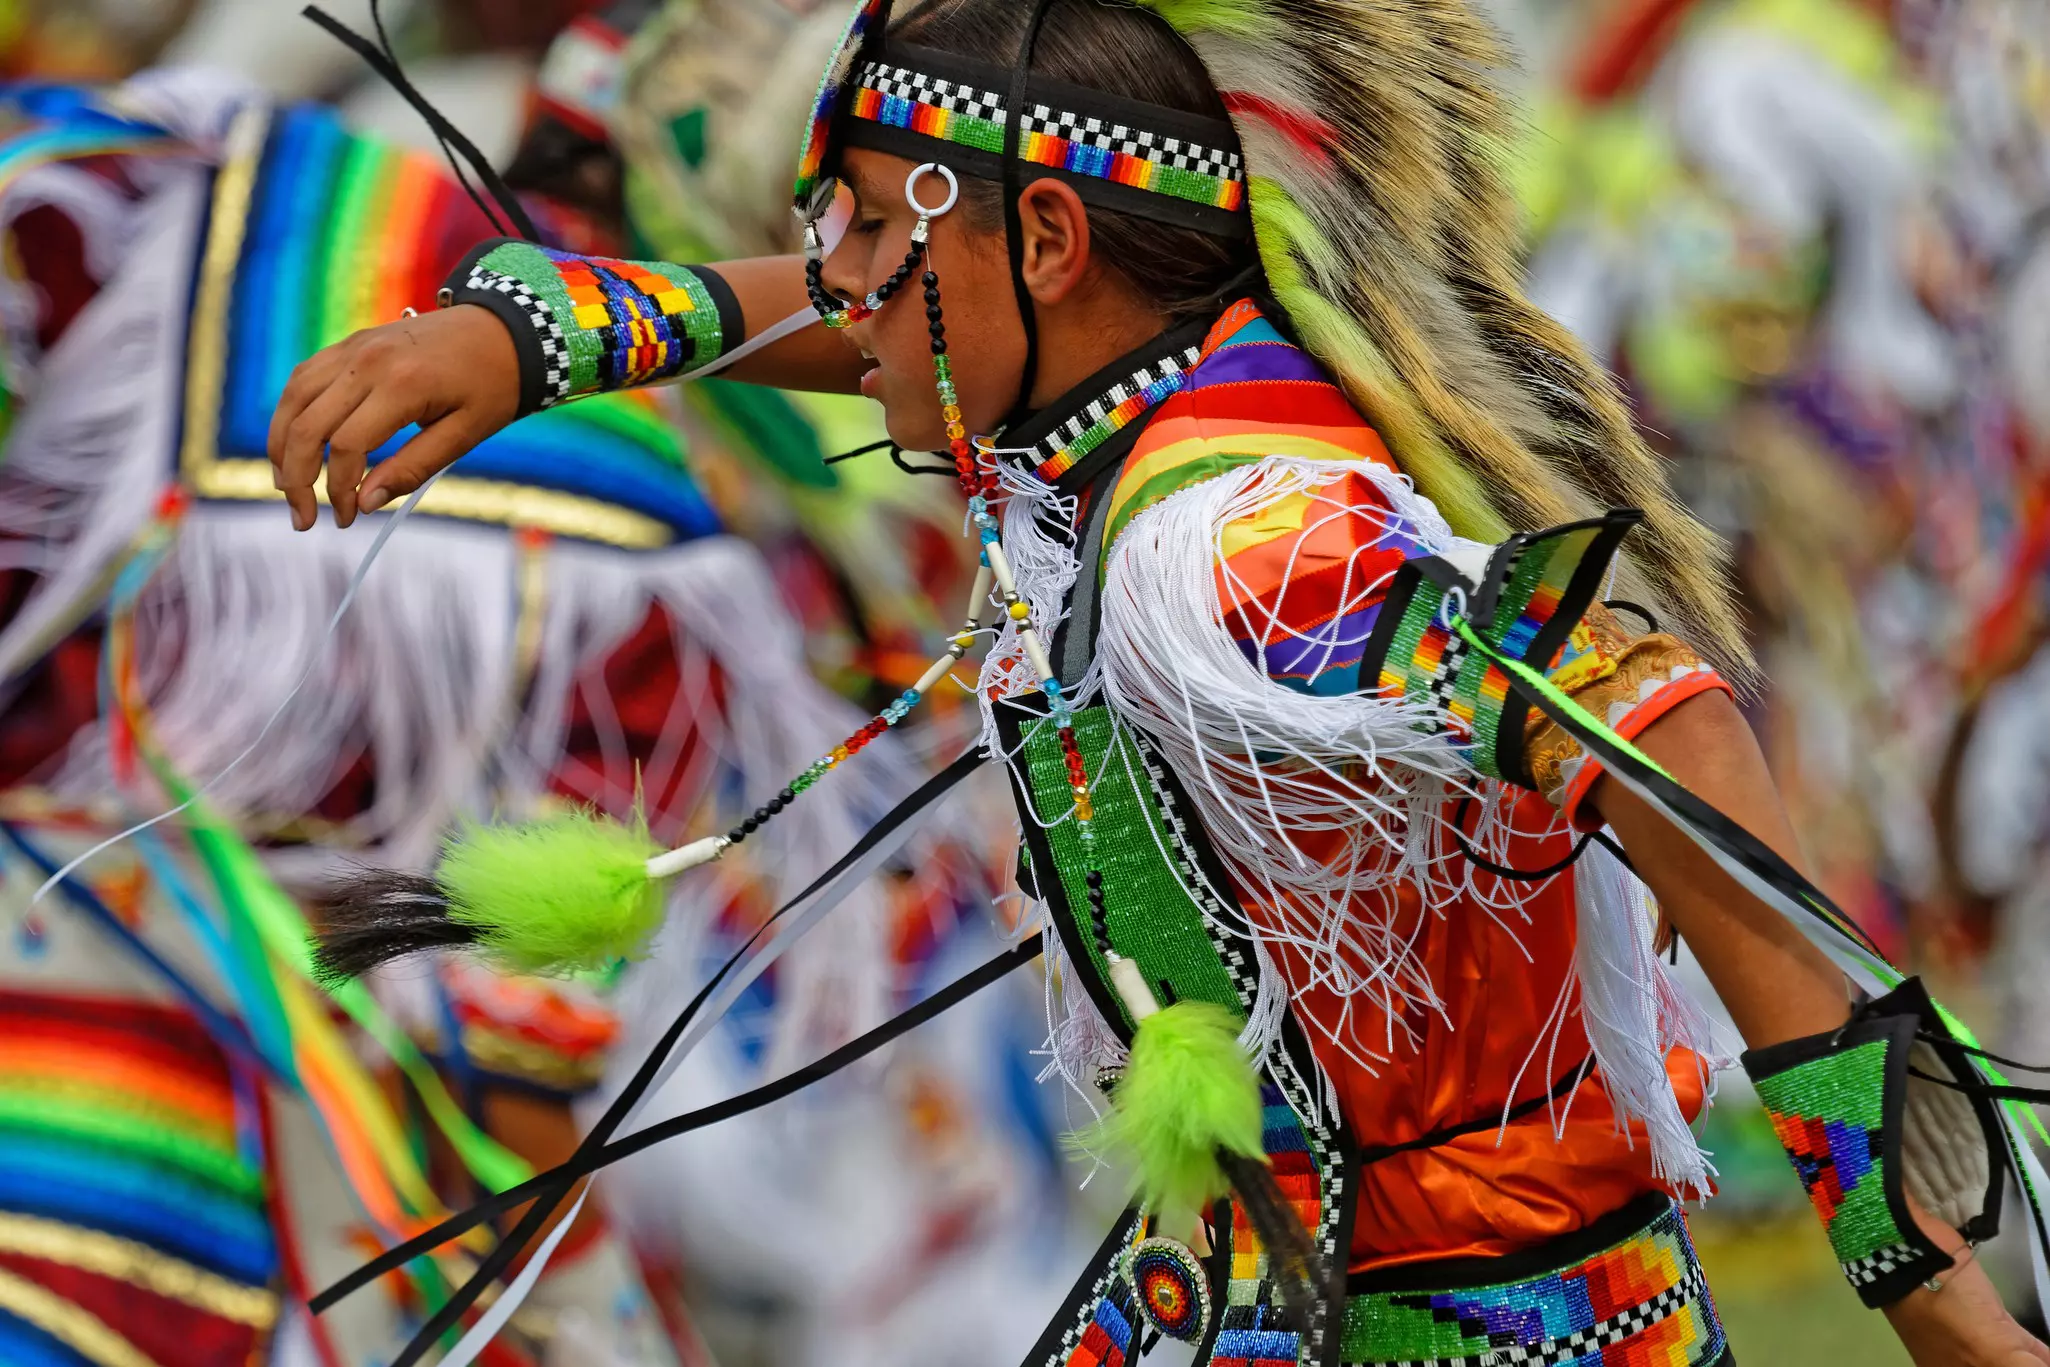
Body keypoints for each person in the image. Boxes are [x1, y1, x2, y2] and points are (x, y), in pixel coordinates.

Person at [268, 0, 2050, 1362]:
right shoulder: (1144, 389)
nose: (844, 288)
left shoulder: (1234, 550)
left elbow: (1661, 731)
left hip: (1461, 1312)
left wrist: (1940, 1308)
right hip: (1280, 1282)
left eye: (882, 235)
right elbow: (857, 311)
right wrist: (555, 333)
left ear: (1047, 245)